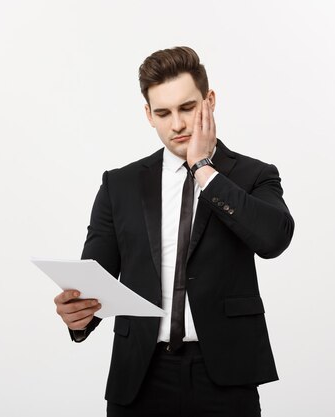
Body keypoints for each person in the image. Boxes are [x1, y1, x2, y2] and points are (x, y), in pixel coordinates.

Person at [54, 46, 295, 417]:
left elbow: (273, 239)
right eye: (163, 113)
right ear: (148, 114)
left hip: (226, 375)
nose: (178, 125)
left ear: (209, 101)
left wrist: (203, 168)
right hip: (140, 374)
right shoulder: (120, 184)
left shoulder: (253, 175)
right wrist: (79, 312)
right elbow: (95, 278)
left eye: (187, 108)